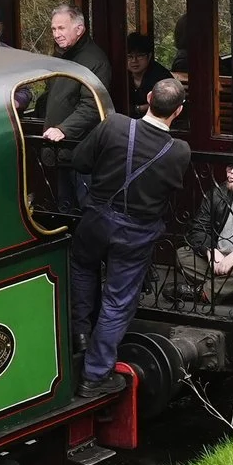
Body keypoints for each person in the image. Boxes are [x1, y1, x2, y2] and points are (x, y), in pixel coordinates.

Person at [67, 76, 192, 399]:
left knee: (82, 268)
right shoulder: (179, 151)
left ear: (149, 97)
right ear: (178, 111)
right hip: (135, 232)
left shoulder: (114, 125)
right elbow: (172, 190)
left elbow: (80, 160)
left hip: (95, 219)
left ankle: (79, 333)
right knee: (118, 302)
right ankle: (94, 375)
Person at [37, 3, 114, 148]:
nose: (56, 35)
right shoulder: (60, 55)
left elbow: (93, 106)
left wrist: (63, 129)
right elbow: (52, 95)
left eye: (61, 28)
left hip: (78, 146)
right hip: (54, 142)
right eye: (53, 29)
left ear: (79, 29)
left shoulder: (95, 61)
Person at [120, 32, 161, 112]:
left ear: (149, 56)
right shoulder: (121, 75)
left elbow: (164, 105)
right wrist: (140, 108)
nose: (134, 61)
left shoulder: (160, 76)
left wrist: (137, 109)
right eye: (129, 56)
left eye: (140, 56)